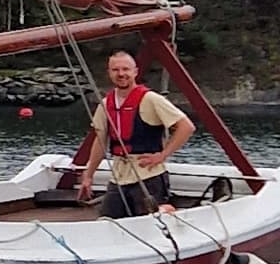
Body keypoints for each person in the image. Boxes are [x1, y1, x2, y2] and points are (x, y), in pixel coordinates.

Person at [72, 48, 191, 216]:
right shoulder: (106, 104)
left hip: (147, 174)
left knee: (148, 220)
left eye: (126, 69)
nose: (121, 74)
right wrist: (88, 175)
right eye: (116, 70)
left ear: (135, 72)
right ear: (109, 73)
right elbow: (100, 140)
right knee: (107, 220)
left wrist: (163, 155)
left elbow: (186, 127)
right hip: (119, 176)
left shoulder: (151, 99)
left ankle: (166, 209)